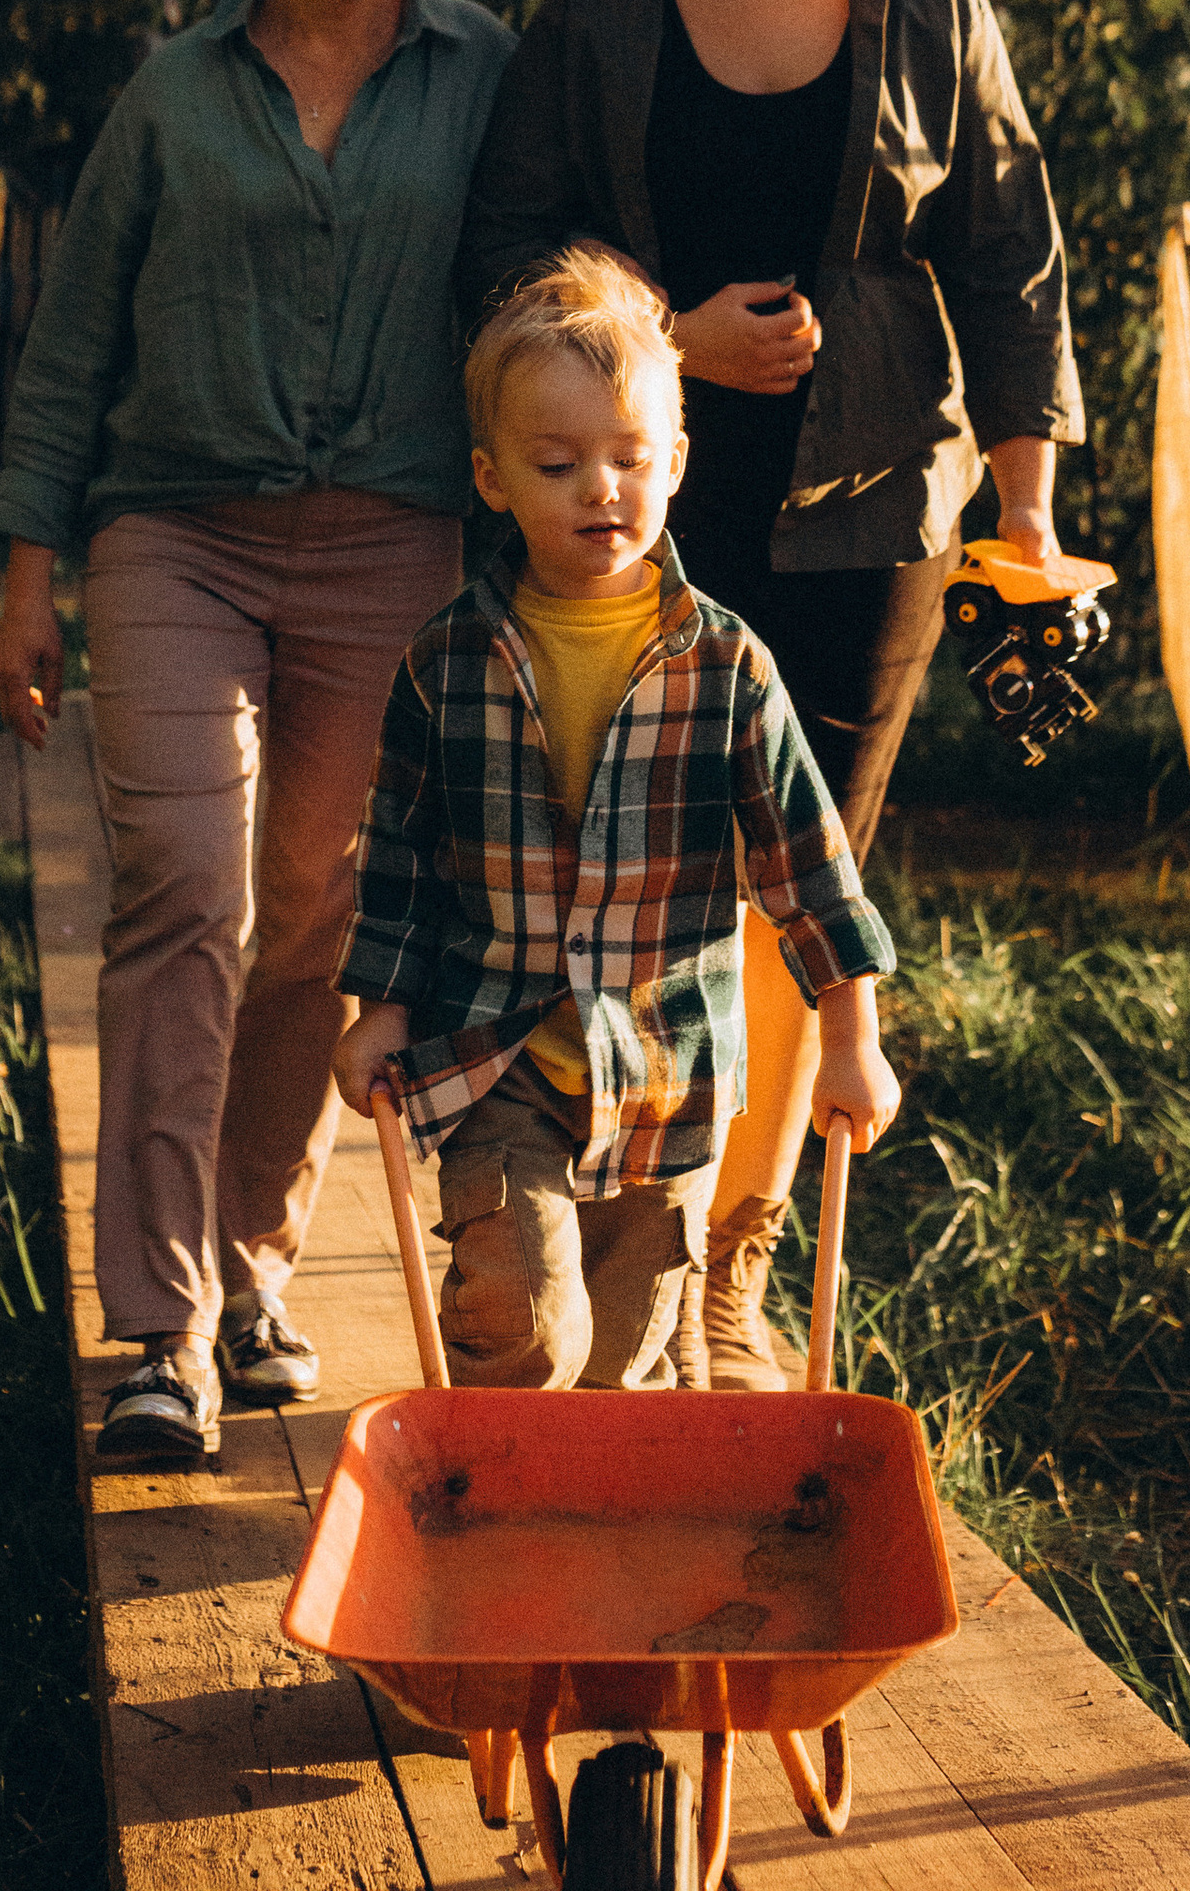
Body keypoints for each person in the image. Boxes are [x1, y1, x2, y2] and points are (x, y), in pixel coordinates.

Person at [460, 0, 1081, 1387]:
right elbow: (505, 245)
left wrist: (1025, 516)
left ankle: (732, 1277)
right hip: (636, 512)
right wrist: (667, 338)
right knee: (651, 891)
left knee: (804, 897)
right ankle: (613, 1240)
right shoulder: (599, 7)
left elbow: (1012, 253)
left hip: (877, 510)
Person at [0, 0, 515, 1466]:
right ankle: (158, 1333)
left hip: (392, 548)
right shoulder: (173, 91)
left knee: (314, 914)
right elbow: (72, 345)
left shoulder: (483, 76)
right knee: (183, 898)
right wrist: (28, 581)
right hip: (176, 537)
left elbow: (541, 289)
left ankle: (253, 1263)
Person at [332, 248, 899, 1388]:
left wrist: (851, 1036)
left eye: (630, 459)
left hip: (667, 1073)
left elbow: (807, 866)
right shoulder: (446, 661)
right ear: (492, 479)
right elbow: (401, 859)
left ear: (676, 463)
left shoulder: (728, 663)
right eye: (559, 463)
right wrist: (378, 1009)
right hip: (495, 1058)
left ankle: (605, 1538)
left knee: (626, 1368)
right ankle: (499, 1518)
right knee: (523, 1327)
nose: (601, 488)